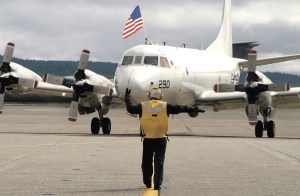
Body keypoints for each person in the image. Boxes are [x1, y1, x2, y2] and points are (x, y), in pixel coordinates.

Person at [125, 87, 205, 190]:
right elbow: (180, 108)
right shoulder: (165, 106)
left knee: (146, 162)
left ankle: (147, 182)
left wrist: (127, 97)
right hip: (161, 138)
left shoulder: (143, 106)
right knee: (159, 162)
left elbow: (130, 108)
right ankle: (157, 184)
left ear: (149, 95)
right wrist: (194, 109)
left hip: (148, 138)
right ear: (161, 96)